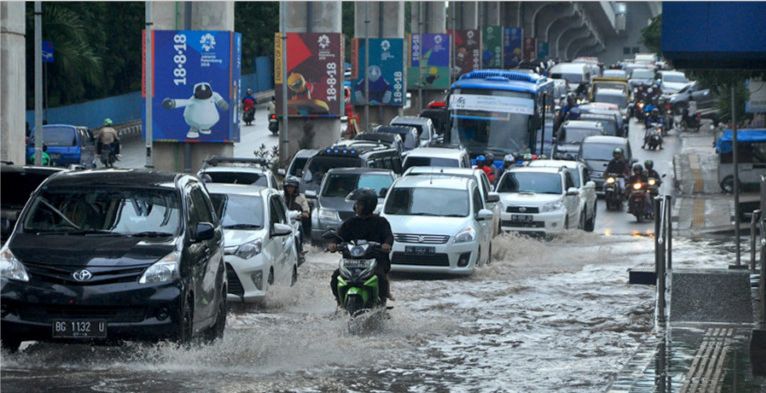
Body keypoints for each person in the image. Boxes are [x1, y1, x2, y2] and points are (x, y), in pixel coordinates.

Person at [328, 188, 394, 304]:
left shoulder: (381, 222)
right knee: (335, 277)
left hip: (374, 260)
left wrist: (386, 244)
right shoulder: (350, 222)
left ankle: (382, 301)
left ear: (368, 206)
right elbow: (339, 236)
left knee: (380, 278)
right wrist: (333, 244)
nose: (356, 207)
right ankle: (339, 302)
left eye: (359, 204)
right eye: (357, 204)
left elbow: (389, 236)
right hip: (351, 261)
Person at [283, 176, 310, 259]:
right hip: (283, 221)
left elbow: (306, 212)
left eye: (291, 187)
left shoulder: (301, 198)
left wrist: (301, 214)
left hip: (295, 222)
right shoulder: (281, 197)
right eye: (288, 187)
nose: (289, 189)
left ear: (296, 188)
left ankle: (300, 249)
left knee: (300, 229)